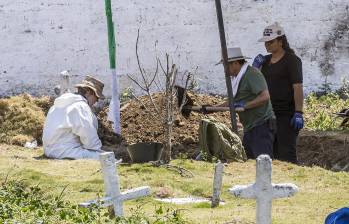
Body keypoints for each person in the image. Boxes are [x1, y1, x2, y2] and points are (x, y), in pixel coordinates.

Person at [252, 22, 304, 163]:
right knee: (270, 155)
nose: (267, 45)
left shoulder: (292, 60)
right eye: (266, 42)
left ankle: (293, 181)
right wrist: (255, 68)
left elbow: (297, 87)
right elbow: (255, 84)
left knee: (286, 154)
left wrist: (298, 112)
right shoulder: (265, 61)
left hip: (286, 115)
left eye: (271, 42)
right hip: (268, 114)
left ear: (280, 41)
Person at [216, 47, 275, 159]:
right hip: (250, 127)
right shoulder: (237, 79)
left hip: (261, 126)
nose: (225, 70)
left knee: (263, 162)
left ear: (236, 63)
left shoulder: (252, 74)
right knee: (249, 162)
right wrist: (211, 108)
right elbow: (231, 102)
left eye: (226, 66)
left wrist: (245, 106)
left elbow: (265, 96)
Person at [42, 75, 105, 160]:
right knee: (105, 157)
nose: (96, 101)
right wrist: (99, 151)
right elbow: (89, 137)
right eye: (96, 97)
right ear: (89, 92)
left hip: (50, 150)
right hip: (65, 152)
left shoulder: (59, 104)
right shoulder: (80, 106)